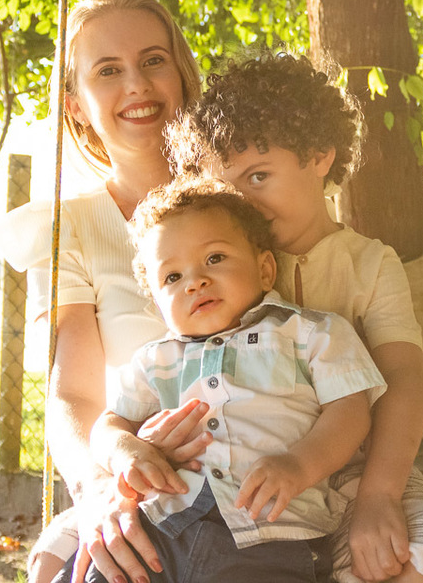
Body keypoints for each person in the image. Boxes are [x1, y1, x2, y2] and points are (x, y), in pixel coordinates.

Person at [166, 53, 423, 583]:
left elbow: (403, 380)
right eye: (227, 188)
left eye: (259, 176)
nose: (243, 203)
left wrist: (380, 495)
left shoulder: (369, 265)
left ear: (319, 156)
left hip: (363, 471)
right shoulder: (217, 270)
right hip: (247, 479)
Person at [59, 177, 387, 583]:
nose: (195, 281)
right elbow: (109, 424)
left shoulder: (309, 333)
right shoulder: (156, 359)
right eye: (172, 277)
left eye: (214, 258)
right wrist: (126, 451)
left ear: (265, 269)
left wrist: (300, 464)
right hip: (161, 528)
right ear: (158, 306)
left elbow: (350, 411)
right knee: (97, 571)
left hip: (268, 532)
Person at [0, 0, 203, 583]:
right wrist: (95, 490)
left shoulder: (241, 202)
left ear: (181, 75)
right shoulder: (71, 228)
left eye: (154, 60)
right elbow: (73, 393)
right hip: (131, 468)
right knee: (67, 565)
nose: (136, 84)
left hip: (261, 459)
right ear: (77, 106)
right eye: (108, 70)